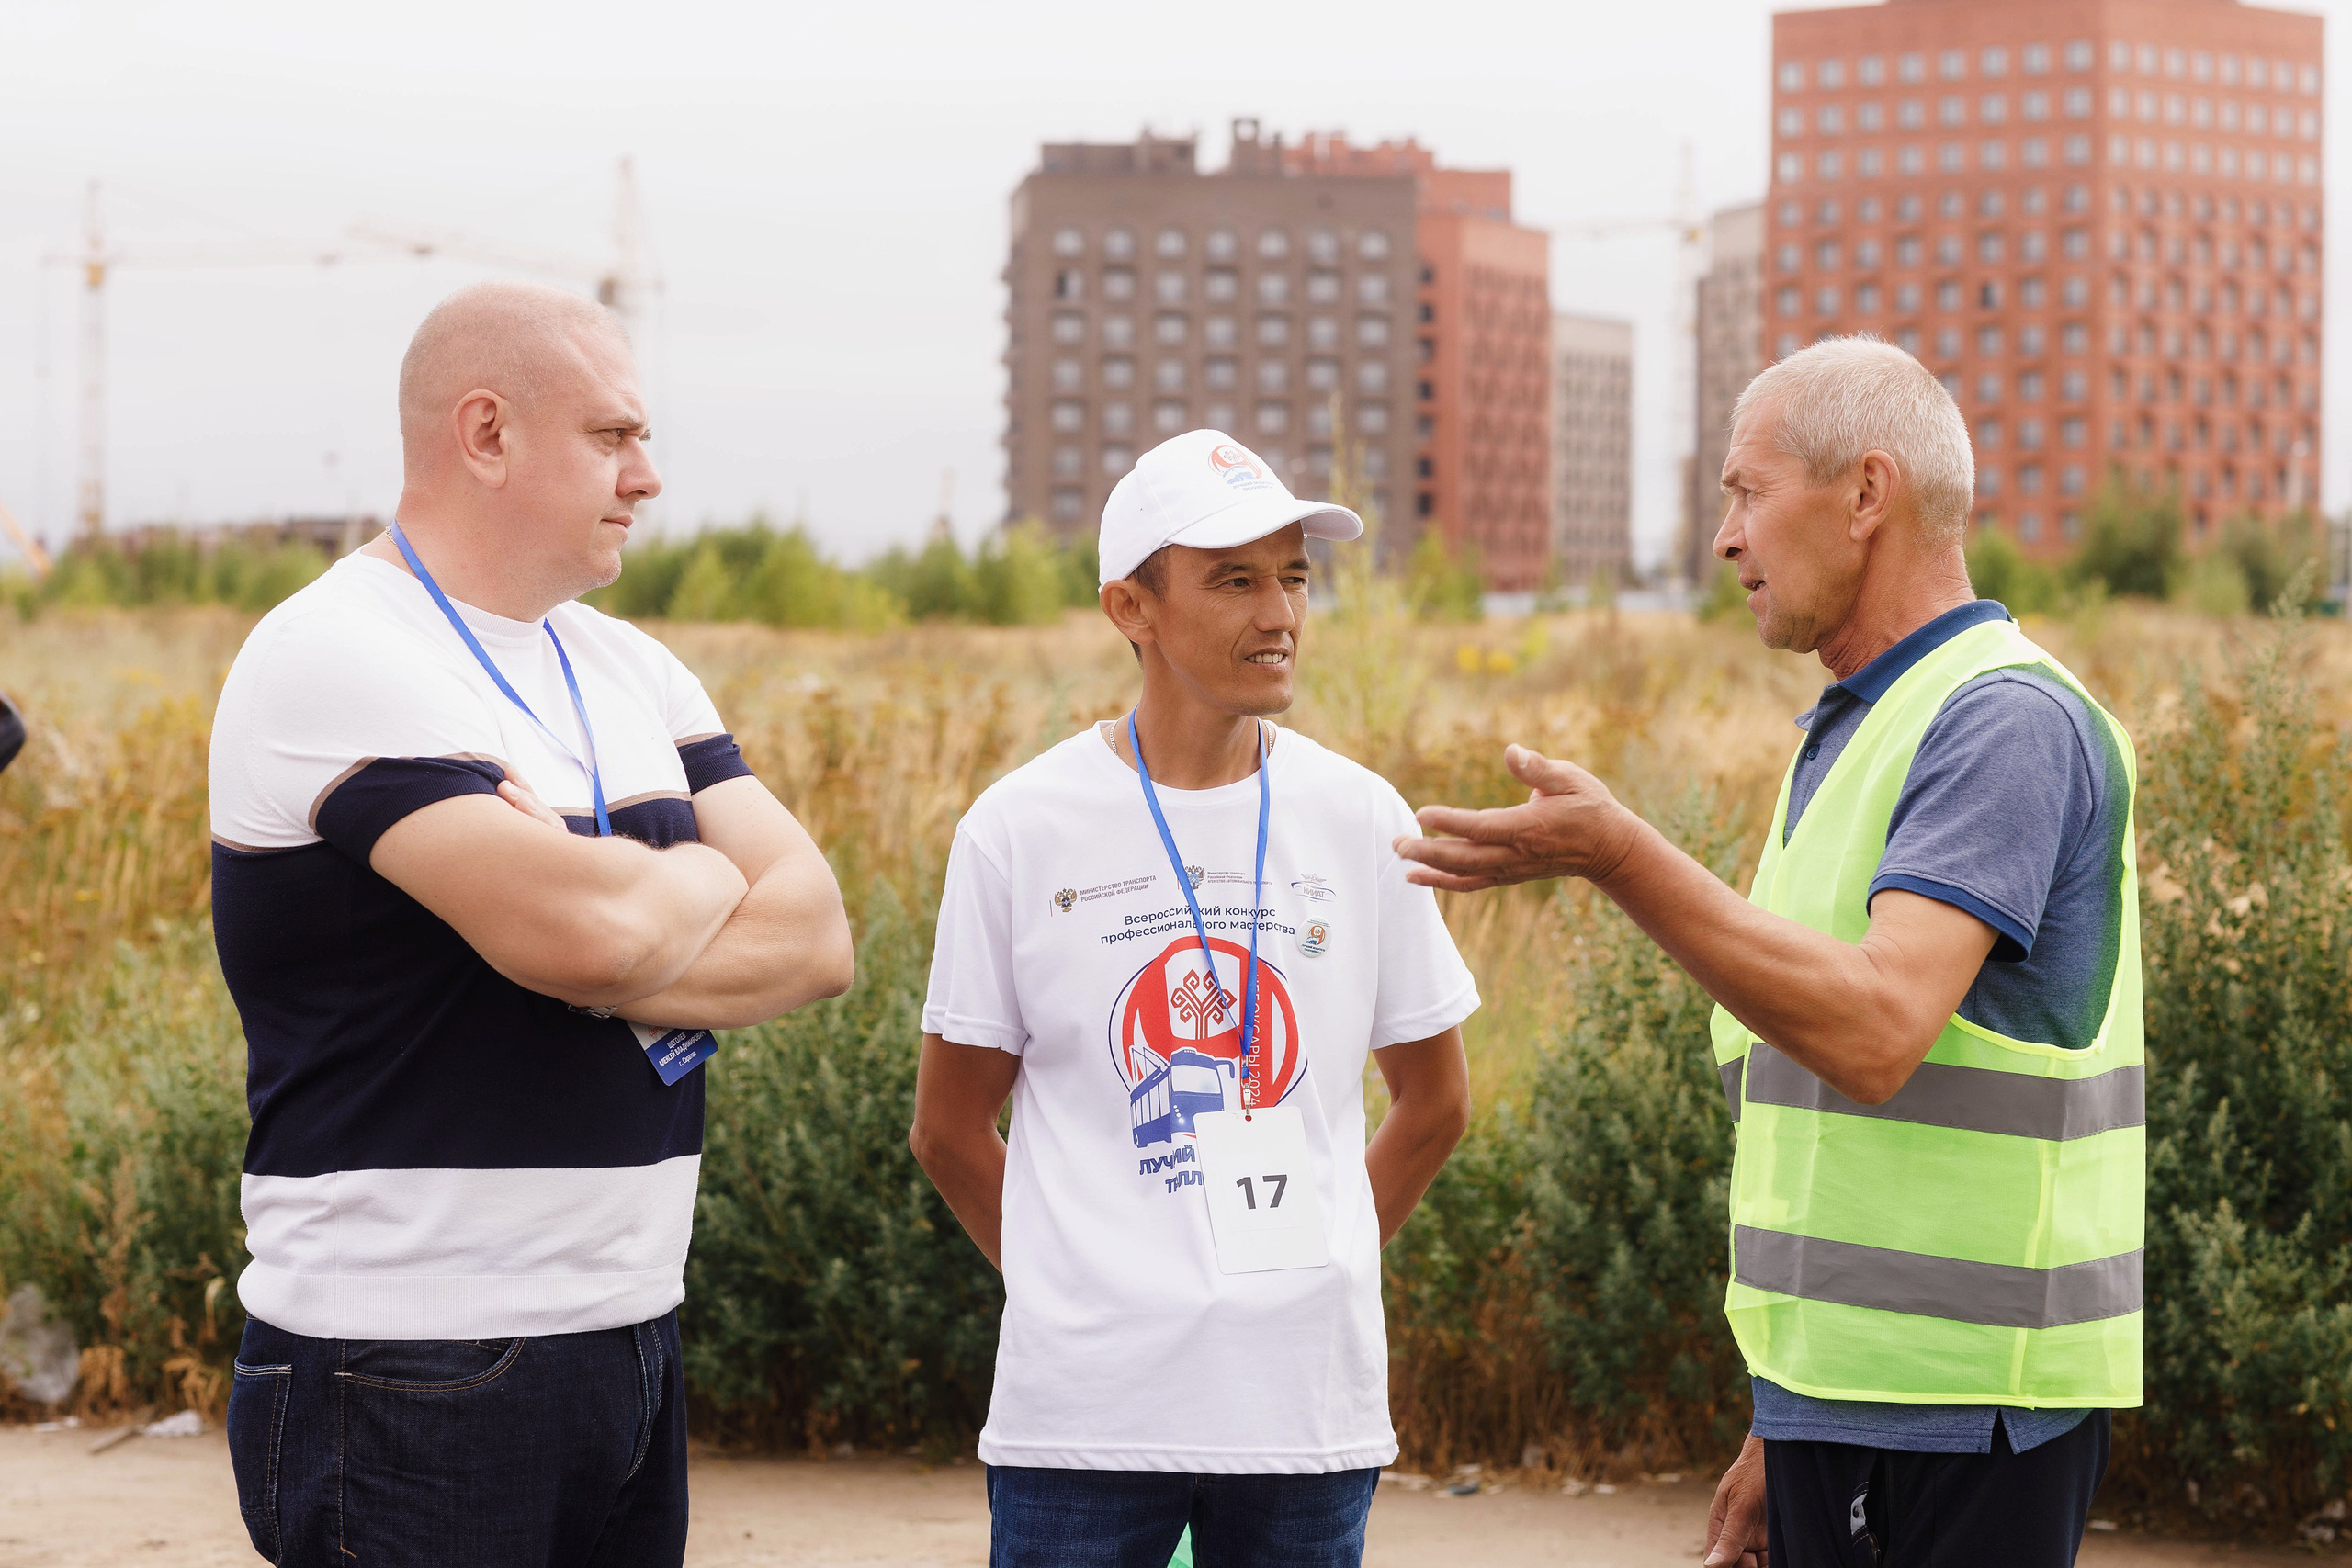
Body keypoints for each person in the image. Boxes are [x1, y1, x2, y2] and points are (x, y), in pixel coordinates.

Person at [1396, 336, 2143, 1568]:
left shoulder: (2001, 719)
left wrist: (1623, 856)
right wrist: (1782, 1419)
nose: (1723, 536)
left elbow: (1873, 1029)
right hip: (1848, 1404)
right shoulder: (1850, 731)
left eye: (1746, 489)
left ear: (1864, 492)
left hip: (1967, 1412)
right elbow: (1822, 1143)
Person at [209, 280, 854, 1567]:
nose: (651, 475)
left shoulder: (628, 666)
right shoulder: (337, 651)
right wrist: (666, 893)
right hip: (408, 1353)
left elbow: (819, 934)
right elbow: (595, 938)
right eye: (613, 437)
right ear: (488, 434)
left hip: (630, 1326)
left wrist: (595, 895)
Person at [910, 429, 1480, 1568]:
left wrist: (1322, 1260)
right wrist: (1079, 1293)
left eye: (1293, 576)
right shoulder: (1019, 828)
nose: (1279, 612)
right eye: (1234, 579)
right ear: (1132, 608)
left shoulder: (1361, 816)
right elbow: (950, 1127)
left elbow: (1434, 1103)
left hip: (1301, 1414)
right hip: (1083, 1421)